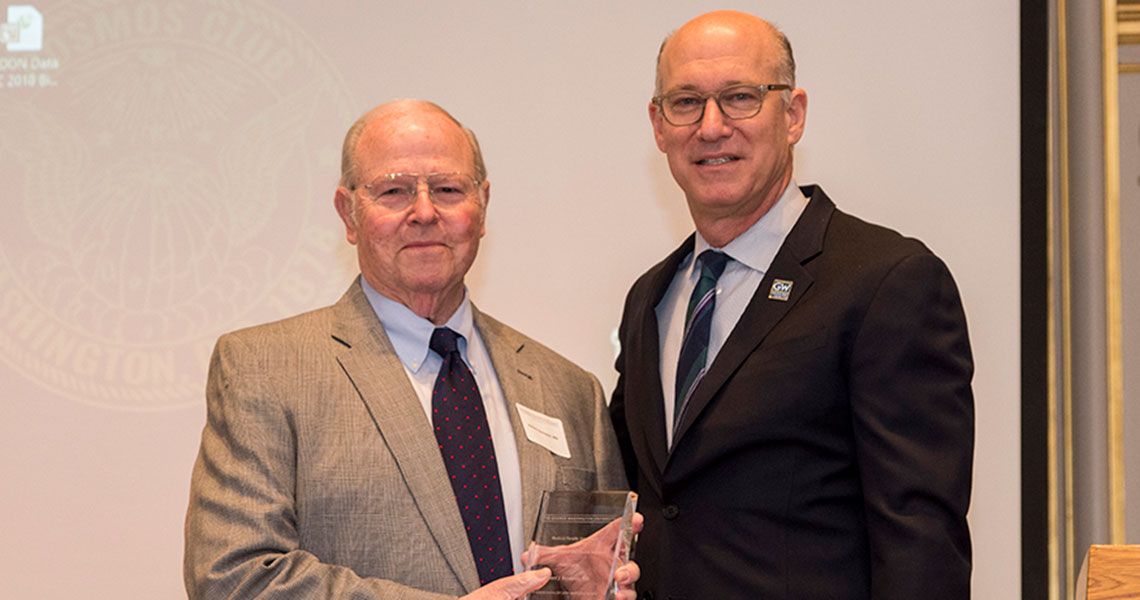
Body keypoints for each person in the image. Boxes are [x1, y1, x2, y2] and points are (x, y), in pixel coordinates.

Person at [185, 99, 639, 599]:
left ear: (482, 206)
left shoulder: (571, 391)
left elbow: (595, 572)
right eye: (394, 191)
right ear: (349, 213)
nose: (424, 212)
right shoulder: (265, 369)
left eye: (447, 189)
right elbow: (233, 577)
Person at [609, 11, 974, 600]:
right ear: (657, 125)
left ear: (794, 114)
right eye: (685, 102)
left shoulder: (886, 281)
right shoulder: (651, 296)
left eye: (740, 98)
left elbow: (921, 543)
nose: (711, 127)